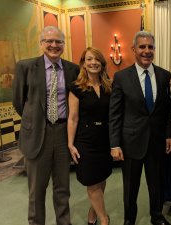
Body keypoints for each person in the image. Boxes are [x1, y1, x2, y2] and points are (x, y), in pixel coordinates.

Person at [12, 26, 79, 225]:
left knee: (62, 188)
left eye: (58, 41)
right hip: (36, 136)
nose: (54, 45)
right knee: (36, 190)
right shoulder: (25, 67)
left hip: (62, 134)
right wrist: (34, 122)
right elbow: (18, 101)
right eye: (49, 41)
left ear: (63, 45)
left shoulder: (72, 69)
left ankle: (63, 222)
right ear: (41, 44)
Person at [109, 31, 171, 225]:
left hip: (156, 141)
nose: (147, 51)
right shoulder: (121, 77)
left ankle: (157, 215)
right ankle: (129, 219)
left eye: (150, 47)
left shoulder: (164, 75)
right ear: (134, 49)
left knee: (157, 184)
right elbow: (115, 113)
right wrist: (114, 144)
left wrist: (169, 135)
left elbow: (166, 109)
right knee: (130, 186)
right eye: (142, 47)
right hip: (130, 142)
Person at [67, 47, 112, 225]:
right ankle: (104, 219)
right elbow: (72, 118)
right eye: (89, 59)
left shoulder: (109, 85)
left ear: (102, 64)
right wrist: (70, 144)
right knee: (92, 182)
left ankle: (93, 212)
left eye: (97, 60)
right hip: (86, 141)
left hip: (105, 139)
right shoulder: (76, 87)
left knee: (102, 178)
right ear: (83, 64)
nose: (93, 62)